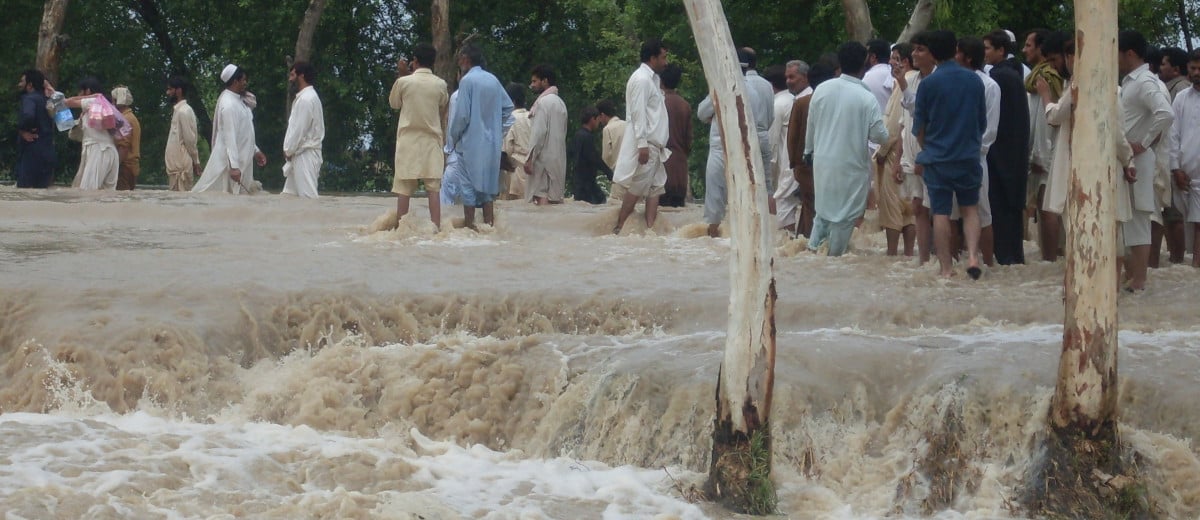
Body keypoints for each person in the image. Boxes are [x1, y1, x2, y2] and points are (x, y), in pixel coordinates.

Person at [912, 30, 987, 278]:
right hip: (968, 156)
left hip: (938, 158)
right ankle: (974, 257)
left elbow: (919, 127)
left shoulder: (928, 84)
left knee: (941, 212)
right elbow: (981, 122)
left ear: (932, 54)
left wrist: (928, 148)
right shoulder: (975, 81)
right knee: (970, 209)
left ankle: (946, 268)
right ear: (955, 48)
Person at [804, 41, 888, 256]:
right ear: (864, 65)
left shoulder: (822, 90)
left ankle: (813, 255)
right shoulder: (866, 97)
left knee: (822, 214)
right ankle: (833, 258)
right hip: (851, 166)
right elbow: (880, 135)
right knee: (844, 217)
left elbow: (811, 128)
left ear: (839, 63)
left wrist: (808, 152)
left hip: (822, 163)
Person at [1120, 30, 1175, 291]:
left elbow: (1165, 113)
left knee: (1140, 216)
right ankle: (1132, 277)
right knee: (1127, 219)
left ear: (1129, 53)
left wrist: (1144, 142)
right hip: (1127, 159)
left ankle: (1139, 280)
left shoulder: (1144, 82)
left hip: (1139, 160)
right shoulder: (1131, 81)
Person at [700, 47, 774, 238]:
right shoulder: (754, 93)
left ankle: (714, 235)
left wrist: (715, 115)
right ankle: (747, 235)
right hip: (745, 148)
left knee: (715, 197)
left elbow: (702, 113)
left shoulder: (720, 88)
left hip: (720, 147)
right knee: (747, 194)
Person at [444, 43, 515, 229]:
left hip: (469, 144)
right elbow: (508, 107)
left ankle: (470, 228)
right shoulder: (493, 79)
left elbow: (462, 116)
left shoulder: (467, 81)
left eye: (460, 59)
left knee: (468, 188)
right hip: (491, 144)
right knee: (488, 190)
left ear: (466, 60)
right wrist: (494, 126)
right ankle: (489, 227)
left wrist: (454, 136)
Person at [612, 39, 671, 234]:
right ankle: (619, 226)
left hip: (657, 144)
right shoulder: (641, 79)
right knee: (638, 187)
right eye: (663, 57)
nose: (666, 62)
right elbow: (637, 113)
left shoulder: (652, 80)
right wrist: (642, 144)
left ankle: (649, 230)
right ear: (653, 58)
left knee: (656, 186)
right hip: (648, 143)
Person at [983, 30, 1031, 265]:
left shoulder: (999, 78)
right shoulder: (1013, 74)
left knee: (999, 207)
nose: (984, 53)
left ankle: (1003, 257)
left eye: (988, 48)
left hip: (999, 152)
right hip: (1015, 151)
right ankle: (1012, 258)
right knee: (1011, 207)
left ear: (1001, 50)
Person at [388, 44, 448, 227]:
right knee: (433, 189)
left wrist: (401, 74)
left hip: (408, 142)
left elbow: (394, 104)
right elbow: (443, 103)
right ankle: (436, 228)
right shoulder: (440, 84)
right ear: (433, 62)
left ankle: (401, 229)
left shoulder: (404, 82)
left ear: (414, 61)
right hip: (431, 142)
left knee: (404, 189)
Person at [957, 37, 1000, 266]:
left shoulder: (990, 86)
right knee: (952, 215)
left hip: (975, 158)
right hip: (954, 156)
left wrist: (970, 149)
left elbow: (990, 130)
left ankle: (989, 265)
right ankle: (952, 264)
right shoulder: (953, 83)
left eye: (957, 53)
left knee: (983, 215)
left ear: (967, 57)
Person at [193, 64, 266, 194]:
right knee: (222, 196)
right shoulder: (228, 104)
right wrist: (234, 167)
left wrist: (256, 150)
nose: (245, 83)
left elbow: (245, 132)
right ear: (235, 81)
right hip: (229, 163)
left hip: (243, 160)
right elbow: (230, 138)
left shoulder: (240, 101)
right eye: (243, 80)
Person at [1024, 29, 1064, 261]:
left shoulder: (1048, 78)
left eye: (1029, 45)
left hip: (1048, 151)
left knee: (1048, 206)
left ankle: (1051, 259)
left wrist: (1039, 155)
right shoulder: (1037, 78)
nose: (1025, 50)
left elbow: (1051, 118)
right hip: (1042, 150)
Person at [872, 43, 916, 256]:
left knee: (892, 206)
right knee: (908, 208)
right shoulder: (917, 79)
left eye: (894, 57)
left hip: (894, 153)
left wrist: (881, 153)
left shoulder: (905, 82)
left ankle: (891, 255)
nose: (890, 62)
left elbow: (894, 125)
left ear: (905, 62)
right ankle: (908, 254)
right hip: (908, 150)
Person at [786, 62, 835, 239]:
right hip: (832, 162)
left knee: (810, 206)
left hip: (805, 164)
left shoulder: (801, 103)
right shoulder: (835, 103)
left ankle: (808, 243)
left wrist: (794, 164)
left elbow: (792, 136)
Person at [1169, 49, 1200, 267]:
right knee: (1192, 224)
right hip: (1187, 177)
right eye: (1193, 68)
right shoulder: (1181, 98)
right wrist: (1175, 168)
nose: (1196, 73)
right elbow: (1173, 135)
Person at [60, 77, 119, 190]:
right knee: (105, 195)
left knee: (87, 193)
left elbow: (68, 102)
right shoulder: (98, 107)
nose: (78, 94)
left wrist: (94, 96)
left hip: (98, 150)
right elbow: (71, 131)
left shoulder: (93, 101)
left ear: (87, 91)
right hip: (107, 151)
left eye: (80, 91)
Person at [524, 64, 568, 205]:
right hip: (559, 159)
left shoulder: (542, 103)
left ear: (545, 81)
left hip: (543, 161)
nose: (532, 85)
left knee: (540, 196)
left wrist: (529, 158)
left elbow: (538, 133)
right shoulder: (561, 104)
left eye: (535, 81)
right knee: (555, 199)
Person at [282, 61, 325, 199]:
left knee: (308, 199)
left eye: (293, 75)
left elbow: (299, 130)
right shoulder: (306, 98)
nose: (290, 79)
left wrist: (288, 150)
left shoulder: (306, 99)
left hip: (305, 155)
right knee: (289, 197)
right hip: (299, 154)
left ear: (302, 76)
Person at [15, 69, 55, 189]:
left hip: (32, 150)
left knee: (25, 191)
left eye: (22, 81)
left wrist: (23, 130)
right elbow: (65, 121)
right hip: (48, 151)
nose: (19, 84)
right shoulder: (49, 100)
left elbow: (28, 115)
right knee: (42, 192)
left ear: (30, 85)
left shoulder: (29, 99)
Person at [660, 63, 692, 207]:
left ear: (660, 80)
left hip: (661, 168)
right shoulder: (684, 105)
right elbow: (688, 140)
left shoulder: (658, 103)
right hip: (679, 168)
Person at [568, 106, 612, 204]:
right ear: (593, 119)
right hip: (587, 183)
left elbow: (570, 153)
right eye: (597, 120)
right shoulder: (587, 137)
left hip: (577, 181)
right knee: (601, 202)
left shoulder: (577, 135)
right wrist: (609, 172)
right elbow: (595, 158)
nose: (599, 123)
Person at [164, 76, 201, 191]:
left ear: (178, 90)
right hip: (176, 167)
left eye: (170, 89)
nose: (168, 92)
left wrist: (196, 162)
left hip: (181, 168)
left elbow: (190, 140)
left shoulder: (184, 111)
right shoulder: (178, 111)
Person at [501, 83, 531, 200]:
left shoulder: (509, 119)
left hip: (515, 172)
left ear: (511, 102)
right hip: (534, 172)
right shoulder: (533, 116)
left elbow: (506, 149)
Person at [110, 86, 141, 190]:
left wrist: (114, 168)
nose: (112, 103)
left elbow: (124, 147)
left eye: (113, 100)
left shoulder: (125, 119)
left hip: (125, 167)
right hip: (130, 167)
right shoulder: (131, 117)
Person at [597, 99, 625, 173]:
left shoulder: (607, 129)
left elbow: (606, 156)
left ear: (602, 115)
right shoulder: (626, 124)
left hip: (617, 171)